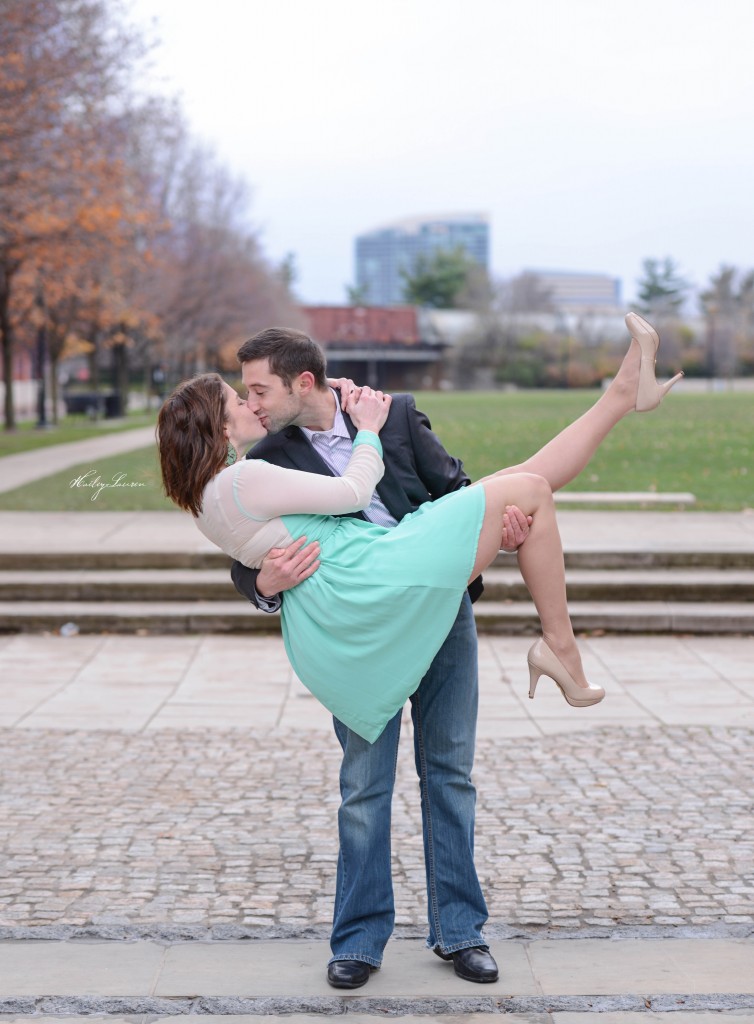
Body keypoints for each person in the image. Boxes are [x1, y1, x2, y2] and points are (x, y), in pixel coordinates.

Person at [156, 311, 681, 985]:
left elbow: (454, 494)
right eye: (243, 396)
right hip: (364, 617)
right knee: (363, 790)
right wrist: (263, 583)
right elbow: (252, 549)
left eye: (258, 388)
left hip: (435, 598)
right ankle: (358, 941)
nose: (252, 401)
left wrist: (505, 532)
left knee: (452, 774)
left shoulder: (397, 414)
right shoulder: (265, 459)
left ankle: (460, 932)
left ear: (300, 382)